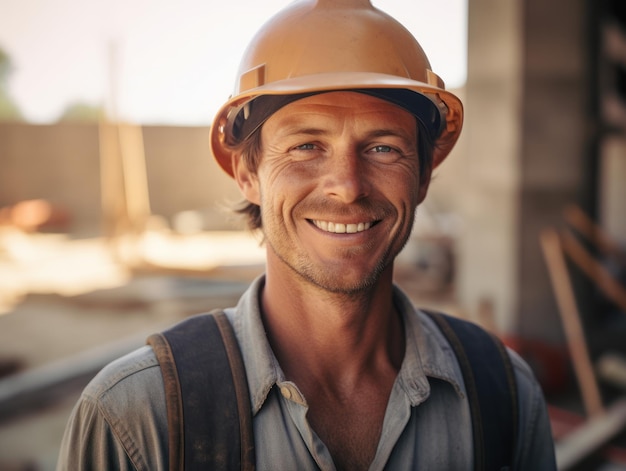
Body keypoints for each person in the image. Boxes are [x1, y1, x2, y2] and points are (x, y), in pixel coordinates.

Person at [57, 0, 557, 469]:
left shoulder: (503, 395)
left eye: (382, 148)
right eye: (306, 146)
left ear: (423, 176)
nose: (347, 187)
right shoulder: (136, 418)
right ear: (248, 174)